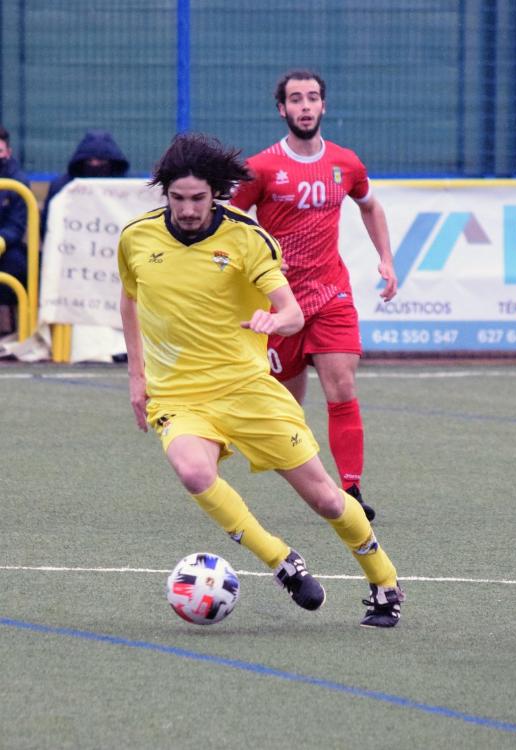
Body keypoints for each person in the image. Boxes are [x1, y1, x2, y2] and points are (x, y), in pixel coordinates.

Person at [118, 132, 404, 628]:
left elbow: (291, 310)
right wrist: (137, 376)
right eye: (178, 198)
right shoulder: (136, 238)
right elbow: (130, 299)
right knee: (193, 472)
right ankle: (281, 561)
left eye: (198, 199)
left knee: (327, 499)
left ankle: (384, 581)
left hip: (248, 389)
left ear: (217, 194)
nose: (187, 209)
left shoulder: (247, 239)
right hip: (179, 395)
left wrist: (277, 321)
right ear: (166, 193)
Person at [230, 69, 397, 522]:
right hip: (281, 301)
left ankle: (351, 489)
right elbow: (232, 217)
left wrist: (386, 259)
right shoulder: (262, 167)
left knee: (342, 387)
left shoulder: (345, 162)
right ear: (281, 109)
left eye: (313, 98)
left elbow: (369, 204)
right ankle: (312, 482)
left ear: (324, 106)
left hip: (332, 294)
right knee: (286, 405)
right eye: (296, 100)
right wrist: (258, 256)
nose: (305, 106)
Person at [42, 129, 129, 237]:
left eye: (101, 161)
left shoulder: (129, 186)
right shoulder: (62, 186)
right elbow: (48, 224)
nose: (95, 164)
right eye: (90, 161)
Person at [0, 125, 30, 335]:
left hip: (7, 246)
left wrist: (1, 241)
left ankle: (10, 331)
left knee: (15, 266)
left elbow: (16, 226)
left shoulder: (18, 181)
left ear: (8, 152)